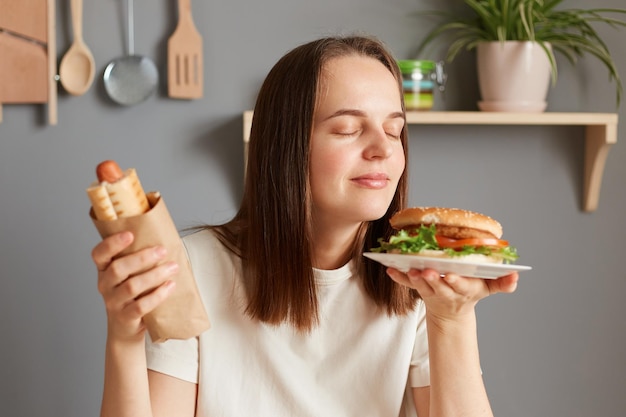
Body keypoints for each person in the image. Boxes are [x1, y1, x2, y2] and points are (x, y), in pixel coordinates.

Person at [91, 35, 519, 417]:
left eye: (394, 129)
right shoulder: (193, 268)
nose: (382, 149)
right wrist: (125, 338)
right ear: (287, 147)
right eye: (349, 128)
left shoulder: (420, 282)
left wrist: (453, 320)